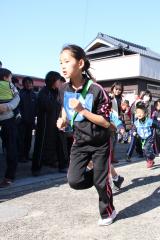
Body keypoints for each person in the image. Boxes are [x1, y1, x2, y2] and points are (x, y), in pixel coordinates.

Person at [56, 44, 116, 226]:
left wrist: (82, 110)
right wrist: (63, 119)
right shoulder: (63, 88)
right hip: (80, 142)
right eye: (60, 63)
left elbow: (106, 123)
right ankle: (102, 178)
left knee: (99, 182)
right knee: (74, 180)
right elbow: (65, 108)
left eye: (67, 61)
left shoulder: (97, 90)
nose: (63, 66)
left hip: (100, 142)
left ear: (80, 63)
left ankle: (108, 212)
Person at [32, 71, 67, 176]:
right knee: (40, 146)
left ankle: (62, 165)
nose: (60, 83)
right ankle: (36, 168)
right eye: (58, 80)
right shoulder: (44, 92)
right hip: (45, 124)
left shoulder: (58, 92)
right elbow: (48, 106)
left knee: (61, 145)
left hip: (58, 123)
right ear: (52, 80)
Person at [0, 68, 20, 188]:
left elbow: (17, 99)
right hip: (7, 119)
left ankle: (9, 177)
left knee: (11, 149)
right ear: (5, 77)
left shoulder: (11, 85)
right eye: (10, 77)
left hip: (9, 120)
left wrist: (6, 107)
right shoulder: (9, 85)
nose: (11, 80)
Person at [127, 102, 160, 168]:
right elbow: (133, 129)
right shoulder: (136, 123)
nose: (139, 114)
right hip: (141, 138)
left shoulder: (149, 121)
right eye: (137, 113)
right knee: (144, 151)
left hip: (149, 137)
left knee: (146, 148)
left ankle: (150, 160)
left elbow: (157, 124)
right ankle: (151, 158)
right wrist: (133, 132)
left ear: (145, 113)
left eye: (141, 112)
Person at [18, 77, 37, 162]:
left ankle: (26, 155)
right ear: (23, 84)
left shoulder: (34, 95)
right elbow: (17, 108)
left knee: (29, 140)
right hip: (21, 122)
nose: (29, 84)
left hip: (31, 121)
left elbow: (36, 109)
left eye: (30, 83)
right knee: (21, 140)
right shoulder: (19, 94)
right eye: (27, 82)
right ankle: (21, 156)